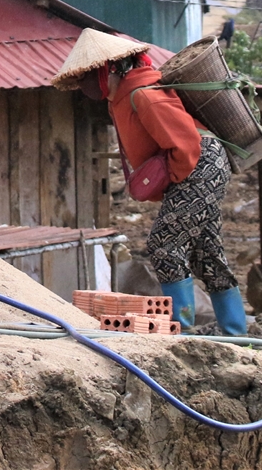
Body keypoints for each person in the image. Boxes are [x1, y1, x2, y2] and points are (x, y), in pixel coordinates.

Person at [53, 29, 247, 335]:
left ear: (109, 70)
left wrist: (173, 180)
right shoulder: (122, 99)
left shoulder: (144, 94)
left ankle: (180, 329)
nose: (84, 83)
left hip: (200, 162)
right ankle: (235, 331)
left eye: (89, 75)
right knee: (206, 250)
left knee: (165, 244)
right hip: (199, 165)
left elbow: (185, 144)